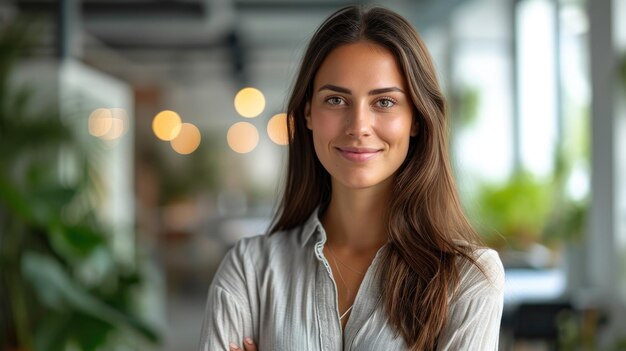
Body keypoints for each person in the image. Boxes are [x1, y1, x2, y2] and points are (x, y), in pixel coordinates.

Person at [198, 5, 504, 351]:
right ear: (308, 113)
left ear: (416, 118)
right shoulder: (249, 270)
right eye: (336, 99)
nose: (358, 126)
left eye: (385, 102)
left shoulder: (468, 277)